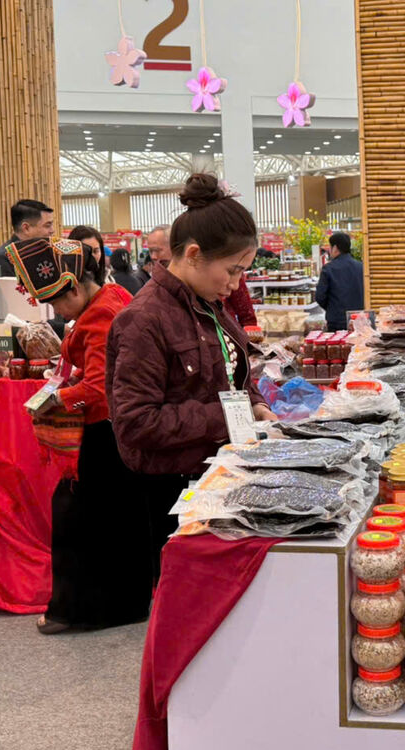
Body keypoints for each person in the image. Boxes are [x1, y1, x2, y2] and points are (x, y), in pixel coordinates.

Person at [107, 174, 276, 579]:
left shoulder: (207, 304)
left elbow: (230, 372)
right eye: (232, 271)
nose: (236, 285)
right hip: (171, 491)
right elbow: (136, 422)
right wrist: (231, 417)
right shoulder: (144, 320)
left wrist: (256, 404)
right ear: (195, 254)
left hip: (213, 475)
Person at [5, 237, 146, 634]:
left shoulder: (101, 316)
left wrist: (58, 399)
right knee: (116, 522)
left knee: (77, 522)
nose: (56, 312)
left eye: (56, 303)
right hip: (119, 431)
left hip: (103, 431)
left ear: (74, 288)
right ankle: (122, 605)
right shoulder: (112, 296)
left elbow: (98, 390)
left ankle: (74, 610)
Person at [0, 199, 54, 277]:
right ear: (26, 228)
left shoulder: (45, 251)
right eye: (47, 225)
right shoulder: (2, 260)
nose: (52, 230)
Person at [315, 231, 364, 332]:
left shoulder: (328, 269)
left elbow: (320, 296)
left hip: (336, 321)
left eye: (330, 247)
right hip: (358, 319)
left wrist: (332, 308)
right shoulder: (361, 267)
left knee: (338, 342)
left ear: (335, 248)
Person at [138, 225, 172, 289]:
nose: (153, 257)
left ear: (173, 247)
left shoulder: (189, 278)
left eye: (157, 250)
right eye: (151, 251)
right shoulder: (151, 287)